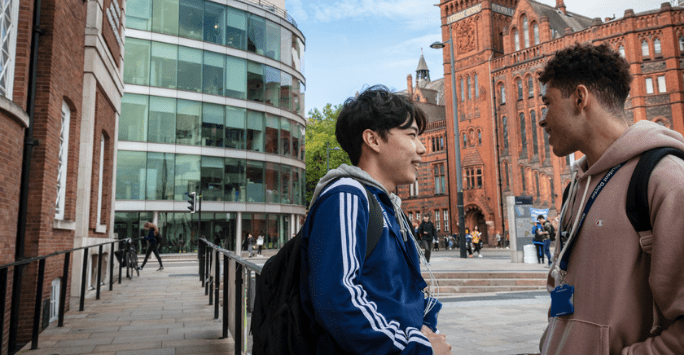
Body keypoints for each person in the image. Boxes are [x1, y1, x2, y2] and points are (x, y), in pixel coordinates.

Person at [538, 43, 684, 354]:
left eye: (547, 103)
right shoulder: (575, 187)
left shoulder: (667, 180)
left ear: (580, 98)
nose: (542, 119)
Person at [300, 85, 452, 354]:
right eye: (411, 135)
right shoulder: (346, 197)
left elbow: (399, 291)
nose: (422, 148)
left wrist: (426, 329)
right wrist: (417, 349)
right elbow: (338, 299)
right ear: (373, 140)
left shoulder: (389, 205)